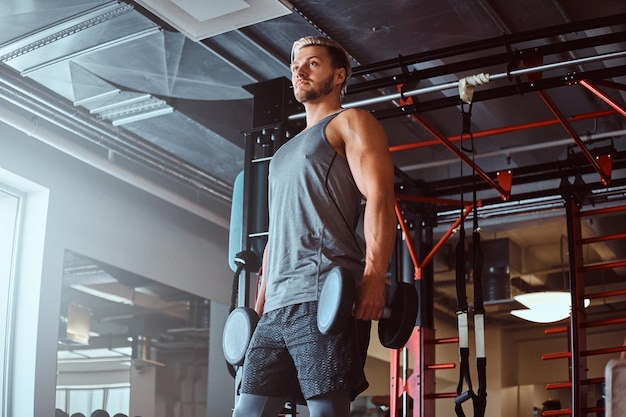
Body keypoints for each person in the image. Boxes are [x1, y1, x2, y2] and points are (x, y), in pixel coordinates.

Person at [231, 36, 396, 417]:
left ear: (339, 76)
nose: (299, 70)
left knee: (326, 412)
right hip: (276, 308)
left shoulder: (351, 122)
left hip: (324, 294)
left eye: (312, 63)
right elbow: (277, 235)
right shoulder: (283, 153)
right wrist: (257, 309)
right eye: (295, 64)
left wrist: (374, 276)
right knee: (248, 412)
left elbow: (380, 198)